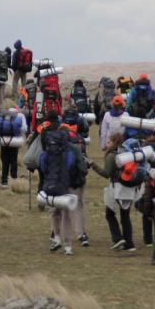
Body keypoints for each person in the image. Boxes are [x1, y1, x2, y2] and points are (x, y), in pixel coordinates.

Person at [43, 125, 87, 255]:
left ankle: (56, 238)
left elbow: (43, 165)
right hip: (69, 185)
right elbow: (83, 168)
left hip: (52, 184)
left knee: (55, 211)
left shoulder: (50, 149)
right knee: (66, 215)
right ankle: (68, 246)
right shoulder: (73, 149)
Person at [90, 133, 138, 251]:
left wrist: (93, 165)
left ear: (114, 143)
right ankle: (129, 243)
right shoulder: (126, 154)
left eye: (109, 141)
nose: (106, 143)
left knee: (109, 214)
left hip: (117, 188)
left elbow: (106, 174)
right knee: (125, 216)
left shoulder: (111, 156)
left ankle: (117, 238)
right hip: (129, 188)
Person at [61, 104, 90, 247]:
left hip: (63, 177)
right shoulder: (80, 140)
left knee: (63, 207)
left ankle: (57, 233)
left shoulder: (59, 139)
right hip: (78, 178)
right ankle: (81, 234)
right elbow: (83, 161)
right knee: (78, 205)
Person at [0, 108, 27, 186]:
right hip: (15, 140)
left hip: (3, 141)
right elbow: (24, 128)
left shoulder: (3, 116)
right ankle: (14, 178)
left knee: (4, 160)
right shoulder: (20, 116)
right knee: (13, 160)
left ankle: (4, 180)